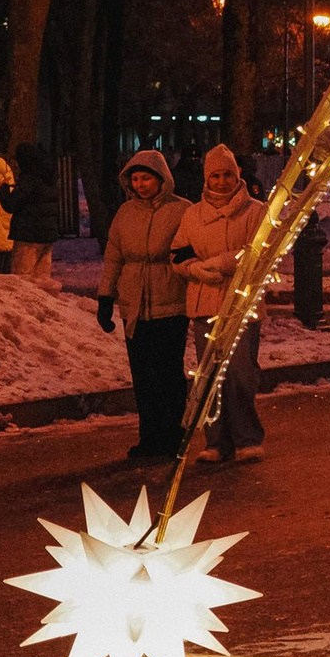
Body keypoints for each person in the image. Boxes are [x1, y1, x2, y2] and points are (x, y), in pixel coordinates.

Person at [173, 145, 267, 462]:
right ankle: (215, 441)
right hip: (204, 304)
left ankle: (247, 438)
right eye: (216, 175)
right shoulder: (192, 215)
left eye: (228, 174)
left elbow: (263, 254)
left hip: (241, 306)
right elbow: (178, 254)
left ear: (237, 175)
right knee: (210, 376)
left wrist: (227, 262)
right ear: (206, 178)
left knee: (241, 373)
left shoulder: (256, 212)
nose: (222, 181)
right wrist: (193, 269)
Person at [98, 149, 193, 461]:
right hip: (134, 305)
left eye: (146, 178)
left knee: (169, 374)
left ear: (161, 179)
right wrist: (105, 297)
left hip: (172, 302)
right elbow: (114, 256)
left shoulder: (182, 210)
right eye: (135, 179)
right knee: (143, 375)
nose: (140, 184)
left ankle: (174, 435)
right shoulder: (125, 213)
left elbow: (193, 250)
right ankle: (149, 437)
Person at [9, 142, 61, 283]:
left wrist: (3, 193)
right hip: (47, 235)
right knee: (42, 280)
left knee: (22, 280)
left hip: (28, 235)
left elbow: (12, 203)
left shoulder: (29, 179)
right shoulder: (49, 178)